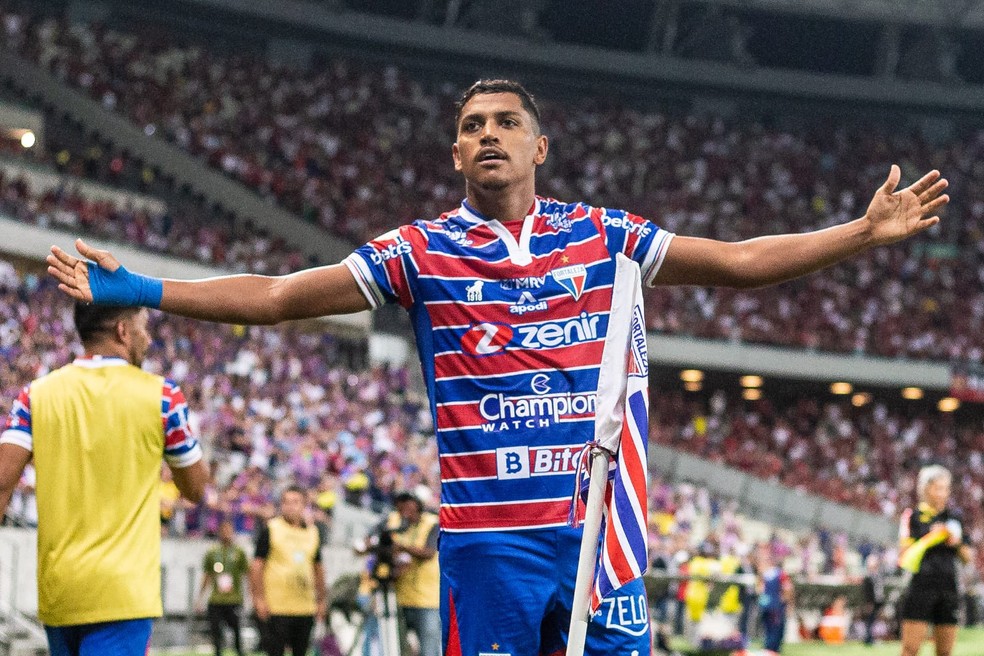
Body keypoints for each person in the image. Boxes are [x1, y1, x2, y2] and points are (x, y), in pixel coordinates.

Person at [46, 79, 949, 656]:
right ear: (453, 152)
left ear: (538, 147)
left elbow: (743, 261)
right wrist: (148, 289)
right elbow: (283, 295)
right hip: (487, 549)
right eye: (472, 126)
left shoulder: (606, 235)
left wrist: (861, 232)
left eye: (507, 123)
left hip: (599, 543)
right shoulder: (420, 250)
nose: (489, 136)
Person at [0, 303, 208, 656]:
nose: (149, 337)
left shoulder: (34, 396)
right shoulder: (162, 396)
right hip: (123, 594)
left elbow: (2, 483)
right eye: (143, 326)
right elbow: (196, 488)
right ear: (123, 331)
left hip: (59, 592)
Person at [897, 465, 972, 656]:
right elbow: (904, 554)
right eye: (937, 488)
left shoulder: (955, 518)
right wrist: (930, 537)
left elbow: (967, 557)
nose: (942, 493)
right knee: (910, 649)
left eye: (945, 488)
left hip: (949, 587)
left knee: (945, 652)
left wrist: (955, 543)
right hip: (921, 586)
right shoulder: (913, 516)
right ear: (925, 489)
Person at [250, 486, 327, 656]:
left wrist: (321, 600)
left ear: (304, 505)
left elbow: (318, 569)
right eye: (286, 502)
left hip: (305, 606)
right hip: (277, 606)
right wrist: (258, 598)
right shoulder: (271, 529)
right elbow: (256, 566)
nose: (290, 506)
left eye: (295, 502)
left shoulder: (313, 533)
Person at [387, 490, 440, 656]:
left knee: (428, 649)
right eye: (400, 506)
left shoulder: (433, 523)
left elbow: (429, 552)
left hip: (427, 600)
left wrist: (403, 548)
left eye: (408, 503)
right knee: (400, 649)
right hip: (402, 597)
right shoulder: (401, 527)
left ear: (417, 504)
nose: (404, 509)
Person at [196, 519, 250, 656]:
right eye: (224, 530)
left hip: (234, 599)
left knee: (236, 633)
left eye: (229, 530)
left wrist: (251, 597)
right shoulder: (213, 552)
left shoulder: (239, 552)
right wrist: (200, 598)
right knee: (216, 634)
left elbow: (247, 575)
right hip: (216, 600)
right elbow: (207, 576)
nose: (226, 533)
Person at [755, 546, 792, 654]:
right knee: (776, 630)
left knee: (768, 629)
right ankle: (773, 651)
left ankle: (768, 650)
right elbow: (787, 588)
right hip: (776, 606)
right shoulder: (780, 573)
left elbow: (759, 590)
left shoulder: (763, 574)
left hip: (766, 605)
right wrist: (785, 600)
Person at [861, 552, 886, 646]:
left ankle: (870, 638)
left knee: (873, 621)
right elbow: (867, 592)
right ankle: (868, 639)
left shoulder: (877, 576)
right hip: (871, 602)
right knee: (870, 621)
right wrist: (869, 603)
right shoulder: (868, 577)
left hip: (877, 601)